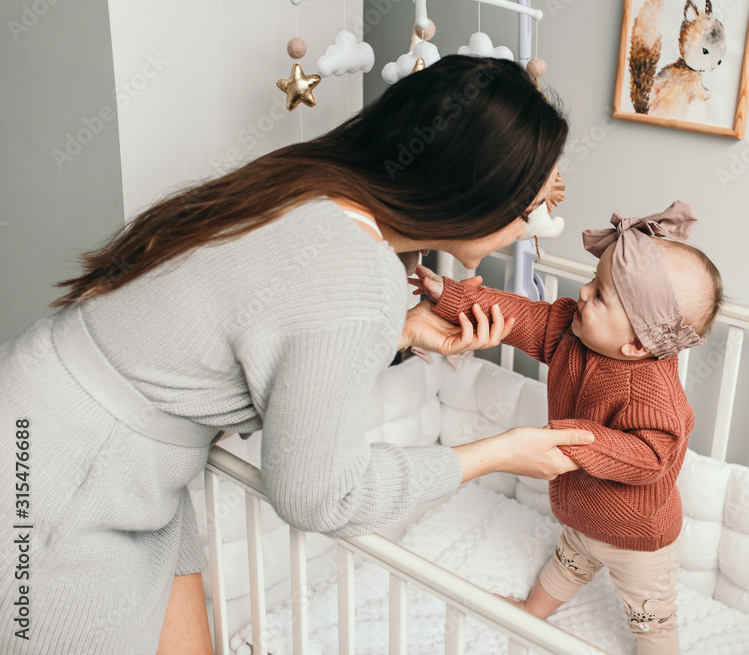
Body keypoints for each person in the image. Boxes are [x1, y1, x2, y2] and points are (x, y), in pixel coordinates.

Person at [0, 56, 598, 654]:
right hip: (64, 483)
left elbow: (265, 324)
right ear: (473, 195)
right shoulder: (356, 273)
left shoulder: (310, 186)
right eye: (527, 212)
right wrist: (498, 453)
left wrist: (404, 331)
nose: (530, 230)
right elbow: (320, 496)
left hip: (67, 419)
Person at [410, 202, 725, 655]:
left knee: (652, 618)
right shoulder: (570, 331)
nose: (582, 291)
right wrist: (451, 295)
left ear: (636, 344)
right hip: (582, 514)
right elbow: (516, 315)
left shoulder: (653, 395)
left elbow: (652, 457)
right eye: (593, 281)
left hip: (636, 537)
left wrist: (575, 439)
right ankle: (531, 613)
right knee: (567, 565)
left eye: (600, 295)